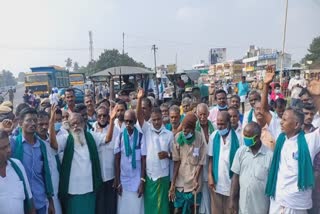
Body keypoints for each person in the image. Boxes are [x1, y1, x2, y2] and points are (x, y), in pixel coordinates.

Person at [262, 66, 320, 213]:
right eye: (281, 119)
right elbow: (264, 111)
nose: (281, 122)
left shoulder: (309, 141)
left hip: (297, 205)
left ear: (296, 124)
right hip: (277, 200)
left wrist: (317, 97)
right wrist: (265, 85)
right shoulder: (280, 136)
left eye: (285, 119)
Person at [48, 112, 104, 214]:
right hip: (72, 190)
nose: (76, 126)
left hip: (89, 188)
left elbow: (107, 139)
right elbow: (53, 144)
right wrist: (51, 124)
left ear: (83, 124)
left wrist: (112, 120)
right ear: (69, 127)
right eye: (72, 124)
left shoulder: (91, 137)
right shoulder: (66, 139)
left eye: (78, 123)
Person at [10, 107, 55, 214]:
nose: (33, 123)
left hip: (40, 201)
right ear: (20, 123)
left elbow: (46, 174)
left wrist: (51, 202)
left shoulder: (42, 146)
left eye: (35, 120)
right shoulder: (14, 143)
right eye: (29, 120)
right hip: (22, 202)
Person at [136, 89, 173, 214]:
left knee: (162, 208)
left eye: (158, 119)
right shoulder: (147, 129)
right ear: (151, 119)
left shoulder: (169, 134)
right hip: (150, 176)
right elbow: (139, 117)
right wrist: (140, 98)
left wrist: (167, 155)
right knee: (150, 207)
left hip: (163, 176)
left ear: (162, 118)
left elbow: (175, 156)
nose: (156, 122)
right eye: (154, 119)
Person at [230, 122, 273, 214]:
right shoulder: (241, 152)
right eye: (244, 135)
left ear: (257, 137)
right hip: (243, 208)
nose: (245, 139)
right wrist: (232, 200)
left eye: (248, 136)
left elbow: (272, 185)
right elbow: (235, 178)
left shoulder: (269, 156)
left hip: (261, 208)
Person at [169, 112, 206, 214]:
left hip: (194, 180)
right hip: (180, 180)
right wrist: (172, 185)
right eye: (183, 128)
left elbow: (201, 162)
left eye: (187, 128)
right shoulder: (178, 137)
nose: (184, 130)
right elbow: (176, 162)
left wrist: (196, 179)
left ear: (193, 129)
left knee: (194, 209)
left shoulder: (199, 138)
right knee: (177, 209)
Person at [114, 109, 146, 214]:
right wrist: (118, 181)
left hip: (137, 180)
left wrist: (142, 181)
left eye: (130, 121)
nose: (128, 124)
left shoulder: (140, 137)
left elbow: (143, 160)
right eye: (126, 121)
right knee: (124, 209)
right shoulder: (119, 137)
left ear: (135, 121)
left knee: (136, 208)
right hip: (123, 180)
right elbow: (117, 159)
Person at [208, 111, 240, 214]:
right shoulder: (213, 136)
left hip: (231, 185)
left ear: (228, 123)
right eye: (218, 124)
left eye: (222, 124)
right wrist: (210, 175)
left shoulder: (238, 138)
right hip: (216, 184)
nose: (220, 127)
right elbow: (211, 158)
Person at [92, 105, 118, 214]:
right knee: (100, 208)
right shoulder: (92, 130)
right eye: (99, 116)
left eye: (104, 115)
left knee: (111, 207)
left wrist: (117, 176)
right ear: (96, 117)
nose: (102, 118)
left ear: (108, 116)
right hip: (98, 178)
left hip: (111, 176)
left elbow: (118, 155)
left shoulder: (115, 130)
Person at [0, 130, 33, 214]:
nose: (9, 150)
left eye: (8, 145)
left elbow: (29, 198)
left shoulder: (17, 165)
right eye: (3, 148)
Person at [36, 111, 62, 214]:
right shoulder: (34, 143)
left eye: (47, 124)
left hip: (57, 189)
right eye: (41, 124)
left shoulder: (53, 140)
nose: (44, 127)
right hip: (43, 193)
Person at [196, 103, 215, 214]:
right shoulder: (195, 129)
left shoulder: (214, 127)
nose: (202, 117)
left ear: (208, 114)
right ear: (197, 114)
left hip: (212, 165)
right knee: (203, 193)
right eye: (200, 114)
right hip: (200, 166)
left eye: (204, 114)